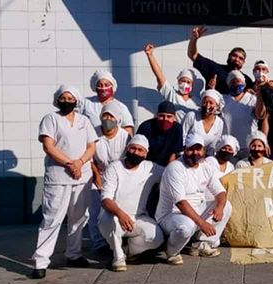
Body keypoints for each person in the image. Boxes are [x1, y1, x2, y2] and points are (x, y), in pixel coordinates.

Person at [32, 85, 98, 279]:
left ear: (76, 101)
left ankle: (74, 254)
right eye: (64, 97)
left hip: (82, 176)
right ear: (58, 99)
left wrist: (79, 163)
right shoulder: (51, 119)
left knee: (78, 218)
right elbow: (48, 146)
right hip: (59, 176)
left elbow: (91, 146)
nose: (67, 100)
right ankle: (41, 261)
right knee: (52, 218)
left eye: (71, 98)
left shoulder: (84, 121)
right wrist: (69, 163)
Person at [156, 134, 232, 264]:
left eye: (198, 149)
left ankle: (202, 243)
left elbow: (220, 192)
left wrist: (219, 208)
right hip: (171, 215)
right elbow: (180, 203)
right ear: (185, 149)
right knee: (186, 227)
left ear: (203, 151)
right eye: (191, 149)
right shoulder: (175, 168)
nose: (195, 153)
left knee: (227, 205)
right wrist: (202, 224)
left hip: (195, 211)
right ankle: (172, 251)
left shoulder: (205, 167)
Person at [98, 135, 164, 272]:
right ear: (127, 149)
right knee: (114, 223)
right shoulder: (114, 167)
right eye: (133, 148)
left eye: (140, 150)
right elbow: (105, 199)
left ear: (145, 154)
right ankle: (118, 258)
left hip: (138, 217)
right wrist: (120, 213)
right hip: (112, 215)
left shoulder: (151, 168)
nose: (136, 152)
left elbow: (170, 174)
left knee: (156, 236)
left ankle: (128, 251)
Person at [89, 102, 131, 253]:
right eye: (105, 115)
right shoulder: (93, 134)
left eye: (111, 116)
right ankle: (99, 243)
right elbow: (89, 159)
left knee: (119, 208)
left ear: (118, 119)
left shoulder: (125, 136)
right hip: (98, 175)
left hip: (118, 176)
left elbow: (128, 159)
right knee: (95, 210)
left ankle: (121, 240)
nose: (107, 119)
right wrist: (96, 177)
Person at [187, 25, 252, 94]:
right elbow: (193, 55)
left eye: (240, 58)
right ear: (229, 56)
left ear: (243, 62)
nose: (237, 59)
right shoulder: (215, 69)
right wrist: (194, 39)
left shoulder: (247, 80)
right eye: (234, 56)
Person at [144, 43, 200, 123]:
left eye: (188, 82)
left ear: (192, 84)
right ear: (178, 81)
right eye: (183, 81)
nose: (185, 84)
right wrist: (150, 55)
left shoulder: (197, 101)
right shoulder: (171, 94)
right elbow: (159, 76)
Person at [82, 69, 134, 135]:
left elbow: (128, 131)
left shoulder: (121, 107)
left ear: (112, 87)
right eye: (100, 85)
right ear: (95, 87)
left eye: (106, 85)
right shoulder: (87, 103)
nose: (103, 88)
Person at [137, 101, 184, 167]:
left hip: (166, 165)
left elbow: (174, 153)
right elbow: (139, 150)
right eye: (162, 116)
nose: (165, 119)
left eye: (169, 116)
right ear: (156, 115)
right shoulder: (146, 127)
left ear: (174, 117)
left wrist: (168, 170)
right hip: (146, 164)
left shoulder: (177, 128)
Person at [181, 89, 224, 157]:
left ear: (217, 106)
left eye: (211, 103)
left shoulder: (219, 123)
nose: (207, 105)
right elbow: (182, 136)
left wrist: (208, 158)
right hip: (186, 154)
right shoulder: (191, 116)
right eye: (205, 102)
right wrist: (184, 154)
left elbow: (213, 145)